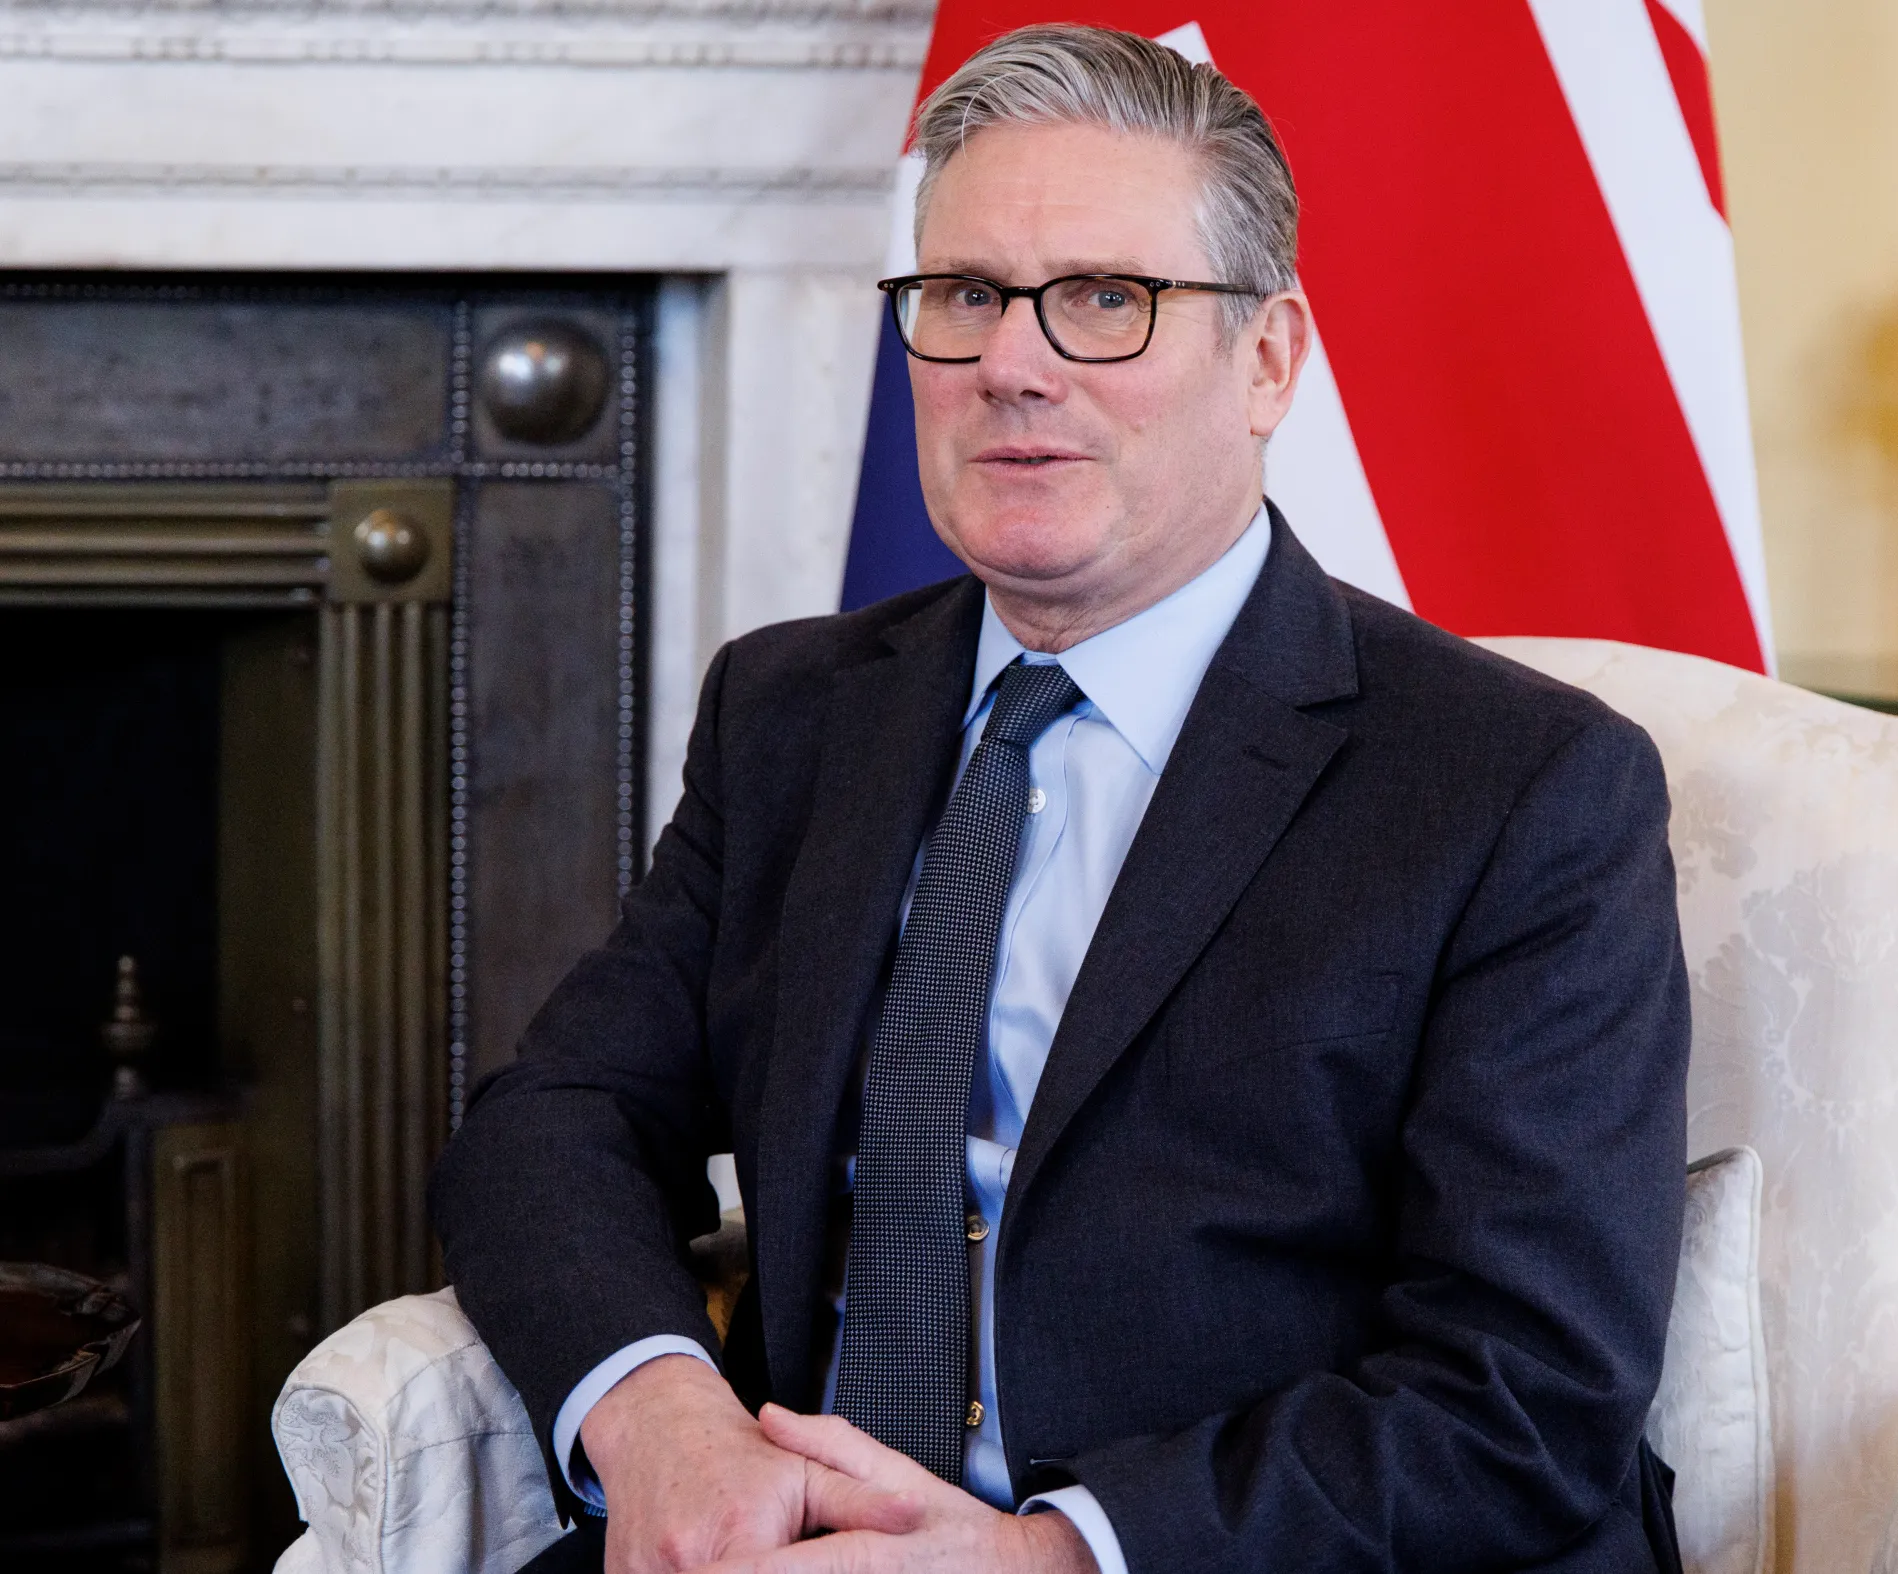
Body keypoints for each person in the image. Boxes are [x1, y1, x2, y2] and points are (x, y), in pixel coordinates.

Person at [432, 24, 1689, 1574]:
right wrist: (665, 1413)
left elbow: (1526, 1392)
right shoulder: (791, 712)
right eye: (963, 296)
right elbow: (553, 1116)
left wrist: (1055, 1555)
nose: (1012, 363)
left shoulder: (1520, 786)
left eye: (1108, 299)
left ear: (1269, 358)